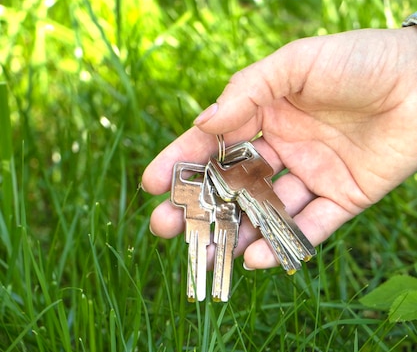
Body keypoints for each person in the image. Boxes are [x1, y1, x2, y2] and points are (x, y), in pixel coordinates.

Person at [141, 24, 417, 270]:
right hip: (252, 190)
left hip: (259, 189)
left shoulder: (249, 171)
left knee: (267, 228)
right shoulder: (237, 178)